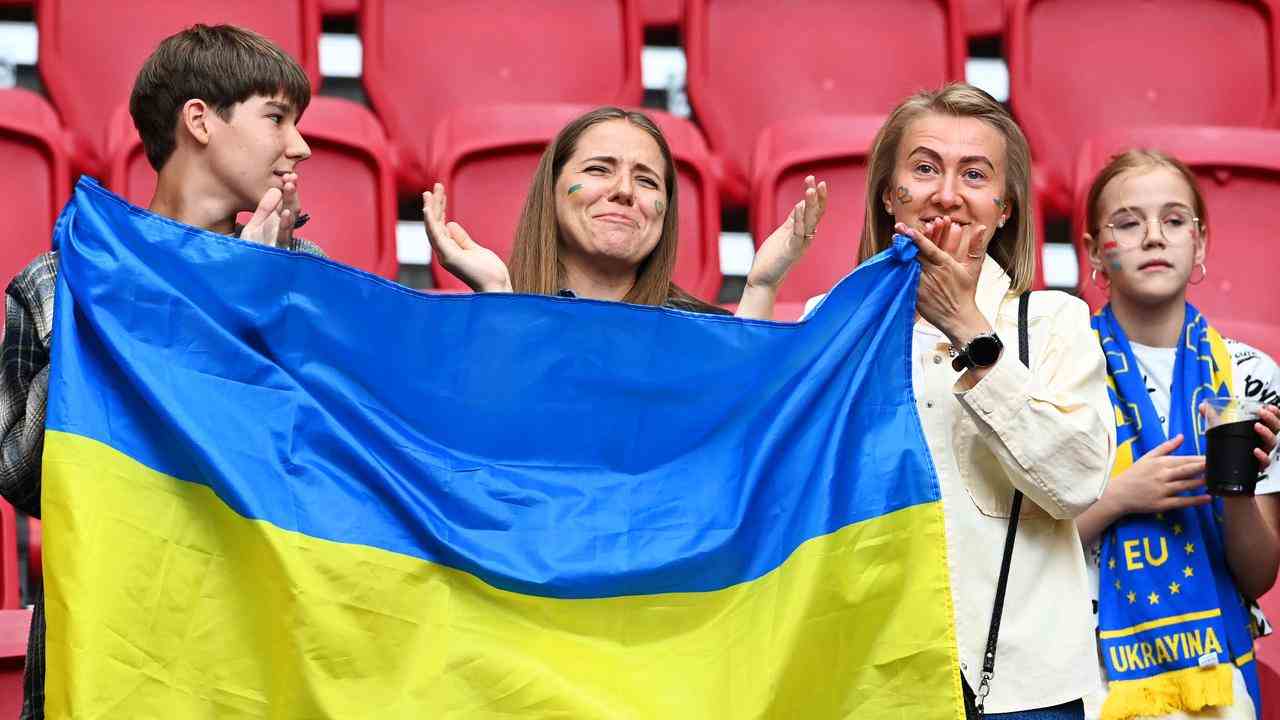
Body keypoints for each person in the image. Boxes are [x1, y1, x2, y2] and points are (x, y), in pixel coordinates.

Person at [0, 24, 322, 719]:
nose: (299, 145)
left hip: (252, 661)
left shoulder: (305, 281)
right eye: (277, 117)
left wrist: (251, 295)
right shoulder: (62, 283)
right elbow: (27, 478)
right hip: (106, 655)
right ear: (200, 121)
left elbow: (321, 463)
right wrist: (117, 314)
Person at [812, 83, 1116, 718]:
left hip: (1024, 692)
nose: (946, 194)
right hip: (868, 683)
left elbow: (1078, 482)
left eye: (974, 175)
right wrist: (759, 287)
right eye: (924, 168)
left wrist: (972, 334)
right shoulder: (827, 326)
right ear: (888, 194)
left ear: (1004, 208)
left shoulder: (1055, 321)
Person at [1074, 150, 1280, 720]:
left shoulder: (1251, 378)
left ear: (1201, 244)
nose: (1154, 237)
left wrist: (1237, 488)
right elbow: (1024, 551)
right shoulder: (1060, 368)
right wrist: (1119, 499)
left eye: (1173, 220)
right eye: (1128, 223)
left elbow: (1259, 574)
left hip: (1218, 678)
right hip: (1088, 668)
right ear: (1094, 252)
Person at [421, 106, 827, 318]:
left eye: (648, 180)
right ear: (551, 192)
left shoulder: (699, 332)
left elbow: (744, 433)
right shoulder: (481, 317)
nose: (625, 192)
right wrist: (497, 297)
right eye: (599, 169)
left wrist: (761, 288)